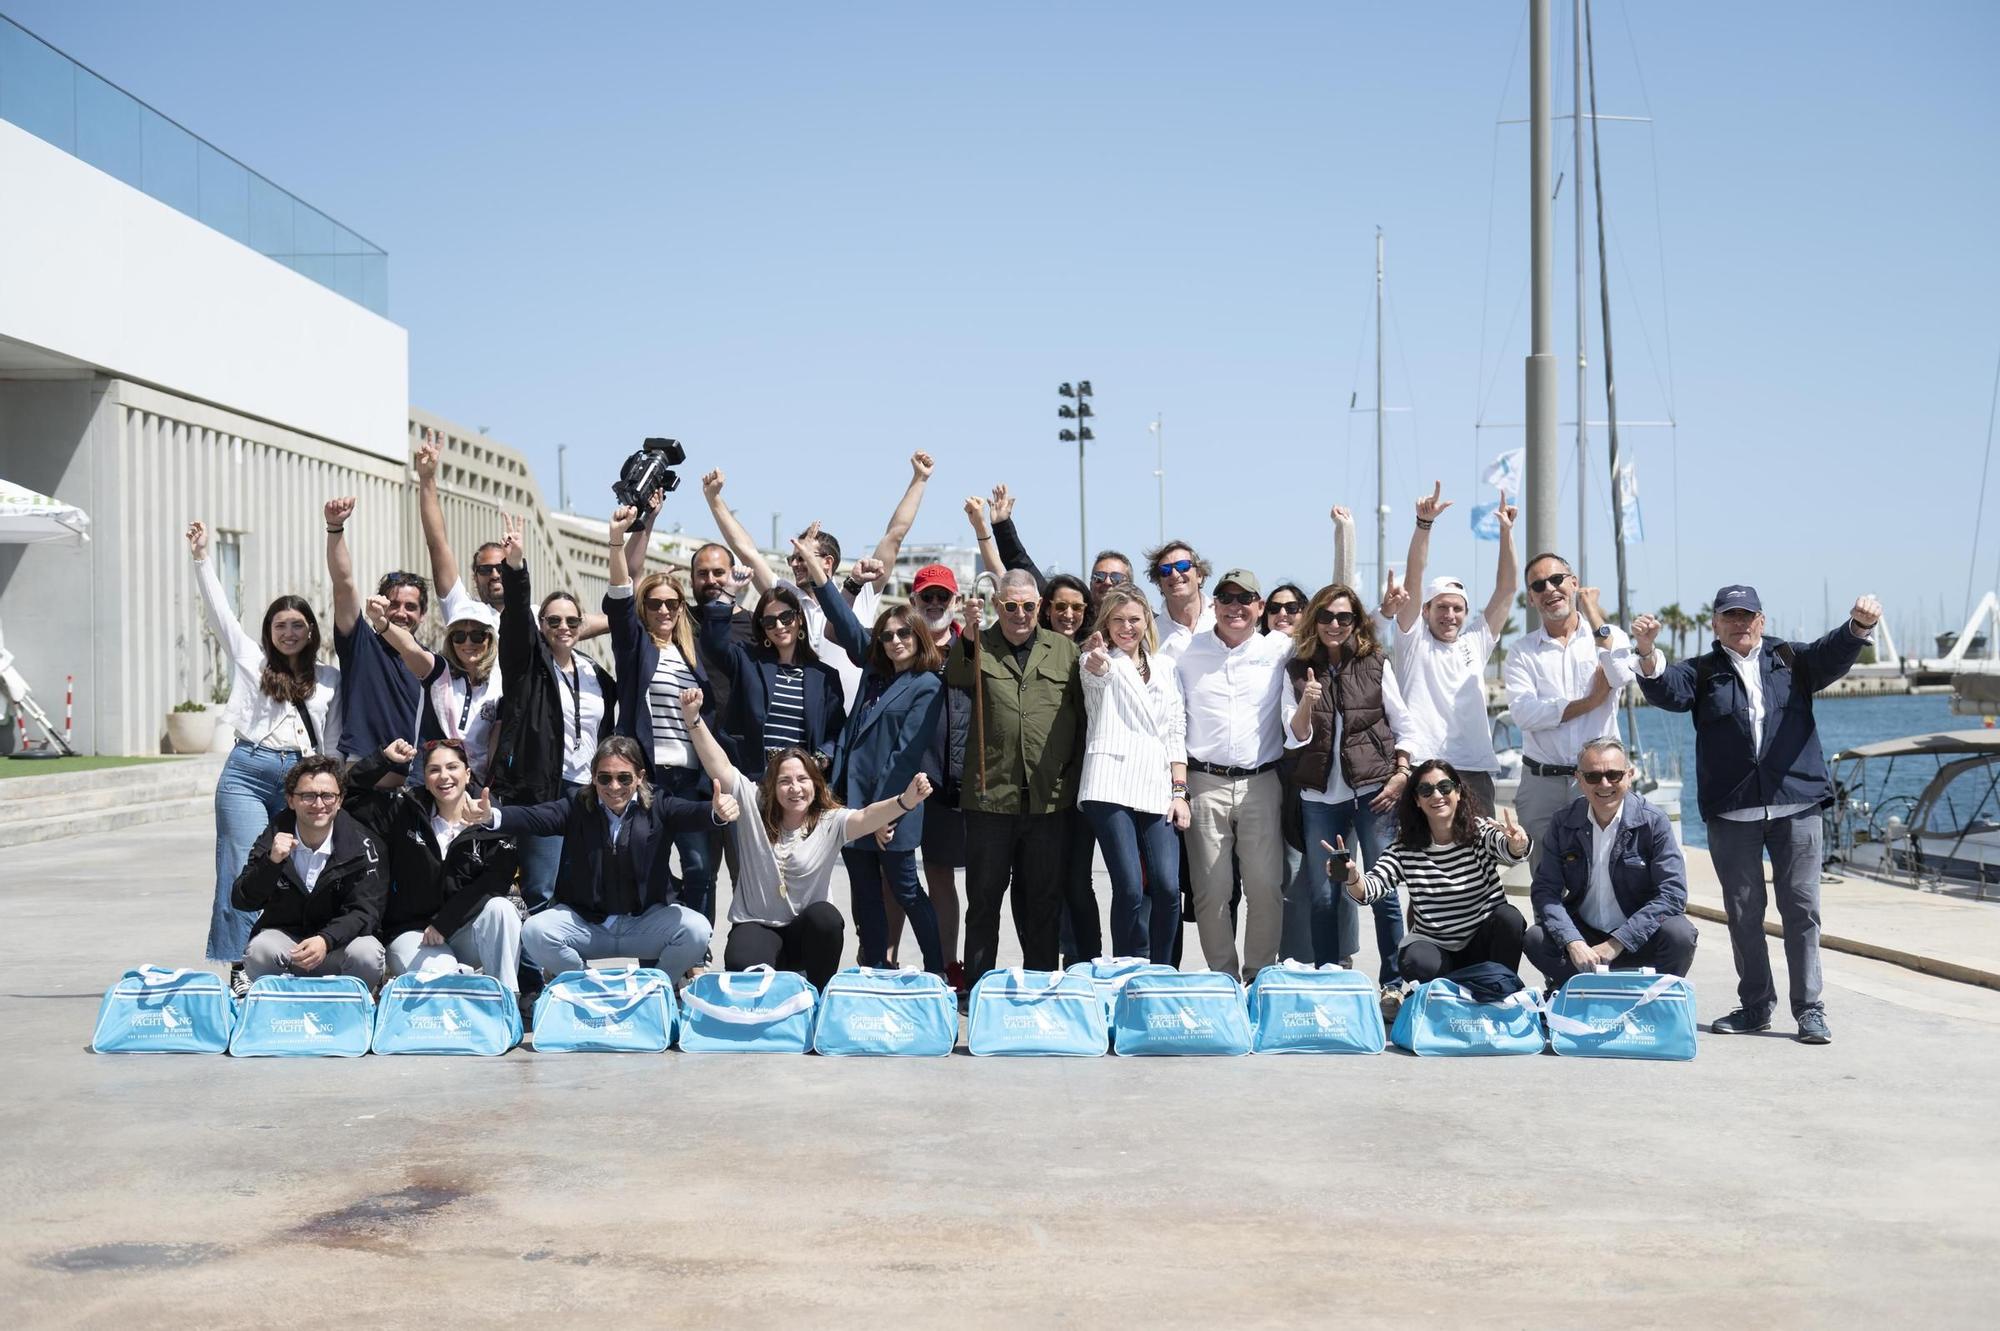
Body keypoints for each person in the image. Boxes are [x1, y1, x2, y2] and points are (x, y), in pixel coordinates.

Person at [1633, 586, 1881, 1044]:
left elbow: (1834, 651)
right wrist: (1647, 653)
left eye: (1747, 615)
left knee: (1802, 910)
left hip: (1797, 805)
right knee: (1744, 913)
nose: (1740, 622)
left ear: (1761, 621)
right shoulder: (1702, 672)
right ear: (1715, 624)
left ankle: (1810, 1010)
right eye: (1730, 616)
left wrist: (1860, 626)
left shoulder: (1791, 659)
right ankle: (1755, 1007)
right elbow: (1666, 690)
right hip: (1733, 811)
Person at [676, 687, 935, 988]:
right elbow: (719, 765)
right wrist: (693, 720)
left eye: (802, 779)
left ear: (816, 784)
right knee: (740, 960)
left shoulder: (830, 820)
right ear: (772, 787)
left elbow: (866, 817)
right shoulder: (754, 803)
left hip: (807, 935)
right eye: (785, 781)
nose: (795, 788)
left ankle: (819, 992)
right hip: (758, 926)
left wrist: (905, 800)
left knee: (826, 919)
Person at [187, 520, 341, 992]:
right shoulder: (252, 662)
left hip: (303, 779)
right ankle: (240, 963)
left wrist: (330, 788)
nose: (289, 633)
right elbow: (219, 615)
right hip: (248, 772)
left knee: (304, 869)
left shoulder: (330, 678)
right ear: (268, 632)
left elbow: (330, 742)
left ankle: (297, 954)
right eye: (280, 625)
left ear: (311, 630)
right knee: (242, 865)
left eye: (298, 625)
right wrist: (201, 558)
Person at [801, 541, 949, 973]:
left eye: (904, 634)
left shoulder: (926, 684)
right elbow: (844, 621)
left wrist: (887, 813)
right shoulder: (875, 670)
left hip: (893, 809)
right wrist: (815, 569)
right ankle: (875, 970)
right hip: (852, 803)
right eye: (887, 636)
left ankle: (936, 970)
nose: (895, 641)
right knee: (865, 896)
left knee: (906, 890)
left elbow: (905, 756)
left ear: (917, 637)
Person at [702, 452, 936, 706]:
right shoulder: (784, 596)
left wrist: (919, 479)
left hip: (855, 718)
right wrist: (714, 499)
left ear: (828, 562)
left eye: (802, 557)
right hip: (804, 721)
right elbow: (746, 551)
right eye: (793, 557)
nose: (794, 563)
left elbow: (895, 535)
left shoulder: (862, 587)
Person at [488, 735, 729, 980]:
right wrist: (492, 817)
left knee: (697, 930)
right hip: (589, 926)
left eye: (624, 777)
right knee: (534, 931)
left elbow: (690, 813)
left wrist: (715, 812)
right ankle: (589, 987)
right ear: (593, 778)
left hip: (644, 924)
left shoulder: (659, 804)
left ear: (639, 777)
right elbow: (533, 818)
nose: (614, 786)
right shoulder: (577, 805)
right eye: (605, 778)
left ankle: (655, 986)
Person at [946, 568, 1084, 981]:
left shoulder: (1065, 651)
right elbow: (954, 677)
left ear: (1039, 606)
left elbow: (1082, 719)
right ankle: (977, 986)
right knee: (984, 900)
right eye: (1010, 606)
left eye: (1027, 606)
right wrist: (967, 637)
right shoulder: (978, 642)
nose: (1019, 614)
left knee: (1043, 899)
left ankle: (1041, 983)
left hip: (1049, 798)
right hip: (991, 797)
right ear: (996, 606)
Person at [1282, 581, 1422, 979]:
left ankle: (1395, 982)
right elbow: (1295, 736)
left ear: (1356, 621)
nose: (1335, 624)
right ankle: (1329, 978)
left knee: (1383, 891)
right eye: (1326, 616)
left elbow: (1404, 724)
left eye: (1344, 617)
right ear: (1315, 620)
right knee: (1324, 895)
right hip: (1320, 799)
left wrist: (1402, 774)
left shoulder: (1374, 661)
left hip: (1374, 792)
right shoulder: (1295, 668)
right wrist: (1308, 701)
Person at [487, 513, 617, 915]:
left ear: (582, 625)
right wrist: (515, 567)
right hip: (544, 789)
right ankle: (536, 975)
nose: (564, 626)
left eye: (572, 620)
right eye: (554, 620)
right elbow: (514, 622)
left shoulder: (596, 673)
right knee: (541, 888)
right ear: (541, 624)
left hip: (590, 792)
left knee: (586, 885)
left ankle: (569, 969)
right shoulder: (526, 665)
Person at [603, 498, 726, 920]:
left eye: (672, 604)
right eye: (654, 603)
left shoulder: (690, 656)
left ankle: (698, 946)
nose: (664, 610)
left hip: (690, 778)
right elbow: (619, 598)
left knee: (699, 867)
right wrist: (618, 542)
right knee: (649, 867)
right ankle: (654, 953)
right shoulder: (636, 648)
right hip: (650, 780)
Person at [1176, 567, 1294, 981]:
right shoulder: (1188, 653)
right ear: (1215, 605)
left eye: (1245, 599)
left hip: (1261, 783)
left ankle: (1258, 977)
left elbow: (1340, 615)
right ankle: (1224, 980)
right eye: (1226, 599)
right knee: (1211, 893)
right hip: (1203, 783)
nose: (1235, 607)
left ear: (1261, 608)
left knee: (1264, 890)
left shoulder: (1279, 649)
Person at [343, 739, 523, 992]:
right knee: (444, 977)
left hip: (464, 931)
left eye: (452, 767)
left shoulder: (492, 819)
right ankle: (466, 987)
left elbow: (495, 882)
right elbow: (349, 797)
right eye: (434, 770)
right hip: (412, 934)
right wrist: (384, 759)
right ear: (425, 778)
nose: (444, 776)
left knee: (502, 909)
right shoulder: (403, 811)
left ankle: (506, 1001)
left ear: (467, 773)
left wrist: (445, 922)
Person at [1522, 737, 1698, 991]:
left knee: (1680, 935)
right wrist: (1572, 942)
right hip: (1586, 941)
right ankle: (1580, 991)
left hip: (1637, 937)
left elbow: (1672, 895)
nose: (1604, 784)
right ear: (1579, 780)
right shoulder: (1563, 822)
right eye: (1593, 777)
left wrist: (1618, 941)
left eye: (1614, 775)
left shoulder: (1654, 822)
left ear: (1629, 775)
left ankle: (1654, 998)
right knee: (1535, 938)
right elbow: (1545, 890)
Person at [1339, 758, 1532, 983]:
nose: (1437, 796)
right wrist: (1352, 877)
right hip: (1437, 950)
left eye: (1444, 787)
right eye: (1426, 790)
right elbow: (1372, 887)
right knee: (1415, 959)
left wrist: (1517, 843)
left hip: (1482, 946)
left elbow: (1508, 849)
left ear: (1458, 792)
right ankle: (1448, 993)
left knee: (1510, 918)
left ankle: (1500, 987)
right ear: (1417, 801)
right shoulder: (1405, 848)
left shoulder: (1479, 832)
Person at [413, 429, 615, 638]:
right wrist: (427, 478)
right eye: (485, 570)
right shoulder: (463, 610)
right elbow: (437, 543)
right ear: (475, 577)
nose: (494, 575)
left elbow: (604, 621)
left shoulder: (541, 618)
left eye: (501, 567)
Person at [1078, 586, 1188, 963]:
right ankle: (1127, 967)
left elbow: (1176, 730)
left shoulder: (1165, 667)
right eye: (1118, 620)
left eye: (1134, 619)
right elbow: (1097, 679)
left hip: (1158, 785)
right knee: (1128, 887)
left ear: (1147, 622)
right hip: (1109, 783)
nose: (1127, 627)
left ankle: (1162, 968)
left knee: (1169, 887)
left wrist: (1180, 792)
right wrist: (1095, 661)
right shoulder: (1098, 659)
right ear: (1106, 624)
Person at [1393, 483, 1518, 814]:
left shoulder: (1474, 643)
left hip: (1474, 769)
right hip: (1423, 766)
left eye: (1457, 608)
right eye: (1441, 608)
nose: (1450, 615)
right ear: (1425, 611)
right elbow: (1414, 579)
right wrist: (1424, 525)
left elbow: (1507, 589)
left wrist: (1506, 533)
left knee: (1480, 856)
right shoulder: (1413, 641)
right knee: (1423, 860)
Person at [1504, 557, 1637, 870]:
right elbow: (1524, 714)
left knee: (1605, 872)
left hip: (1597, 781)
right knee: (1546, 877)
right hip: (1541, 784)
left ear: (1574, 583)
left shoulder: (1608, 635)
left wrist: (1591, 612)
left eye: (1557, 580)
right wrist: (1590, 702)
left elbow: (1620, 676)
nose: (1550, 589)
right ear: (1531, 598)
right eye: (1538, 585)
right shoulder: (1521, 651)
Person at [231, 756, 387, 985]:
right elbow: (243, 899)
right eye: (307, 795)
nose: (318, 804)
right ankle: (278, 1012)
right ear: (291, 800)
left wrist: (325, 940)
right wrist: (271, 863)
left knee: (368, 954)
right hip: (290, 946)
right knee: (259, 950)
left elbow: (366, 912)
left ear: (340, 800)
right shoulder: (273, 837)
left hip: (339, 946)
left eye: (327, 795)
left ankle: (353, 1009)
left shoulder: (365, 845)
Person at [697, 536, 848, 773]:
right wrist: (729, 592)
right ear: (763, 628)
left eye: (786, 618)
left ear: (799, 620)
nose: (779, 626)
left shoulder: (824, 676)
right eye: (769, 621)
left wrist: (820, 759)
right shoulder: (748, 661)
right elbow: (713, 644)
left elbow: (837, 730)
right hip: (754, 777)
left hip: (800, 784)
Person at [324, 496, 428, 763]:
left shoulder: (428, 663)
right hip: (363, 774)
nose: (401, 613)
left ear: (423, 615)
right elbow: (343, 584)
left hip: (414, 781)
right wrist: (335, 528)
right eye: (393, 604)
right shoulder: (361, 644)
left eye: (411, 606)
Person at [910, 561, 974, 988]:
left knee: (963, 882)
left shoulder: (973, 644)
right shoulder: (900, 644)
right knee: (912, 878)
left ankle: (961, 963)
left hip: (962, 784)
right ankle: (907, 961)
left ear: (955, 601)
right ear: (914, 601)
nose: (935, 604)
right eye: (927, 596)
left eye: (942, 597)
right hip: (913, 782)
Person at [364, 591, 503, 787]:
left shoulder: (498, 684)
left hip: (473, 787)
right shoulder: (439, 670)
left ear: (489, 639)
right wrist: (381, 622)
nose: (468, 643)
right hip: (427, 782)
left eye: (477, 635)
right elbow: (410, 648)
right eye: (459, 636)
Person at [1146, 538, 1215, 663]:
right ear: (1159, 583)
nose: (1174, 574)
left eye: (1182, 566)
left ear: (1199, 575)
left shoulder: (1222, 619)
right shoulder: (1150, 635)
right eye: (1165, 570)